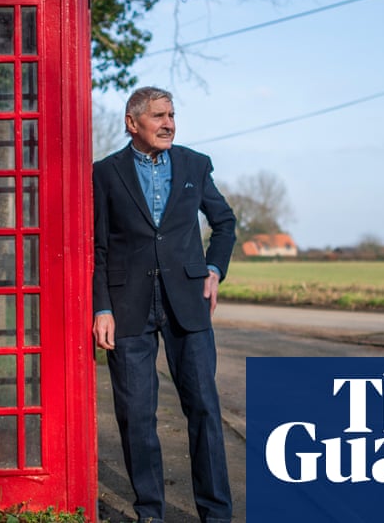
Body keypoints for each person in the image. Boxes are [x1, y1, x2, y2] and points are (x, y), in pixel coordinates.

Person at [92, 86, 236, 523]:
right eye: (158, 116)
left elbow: (224, 223)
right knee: (136, 416)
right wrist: (101, 308)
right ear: (132, 123)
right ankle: (150, 512)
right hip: (128, 304)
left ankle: (217, 514)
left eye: (171, 114)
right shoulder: (105, 173)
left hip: (188, 305)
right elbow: (95, 247)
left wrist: (214, 270)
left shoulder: (195, 164)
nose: (168, 123)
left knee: (205, 410)